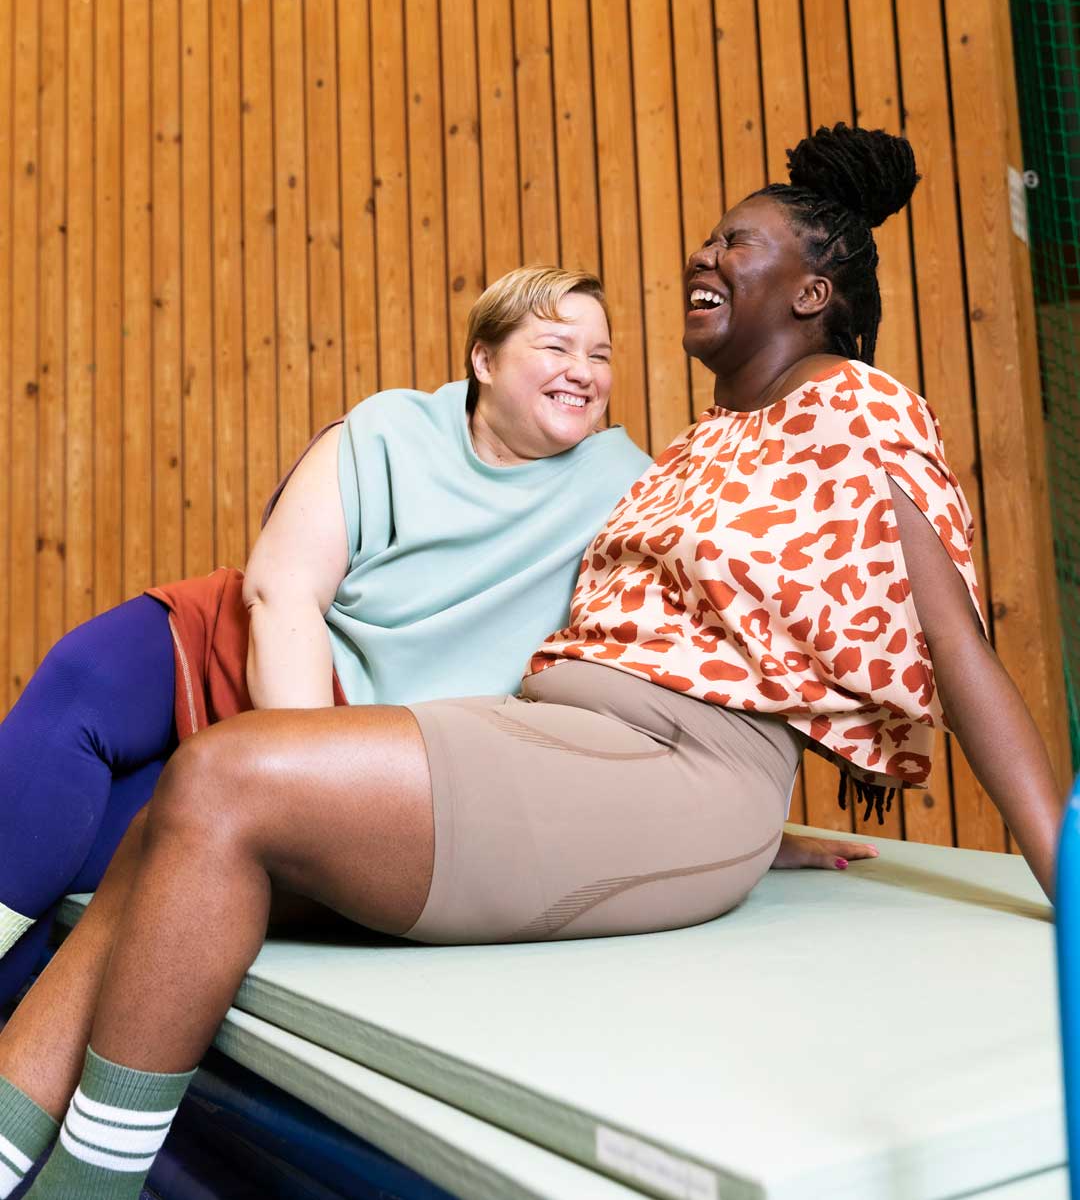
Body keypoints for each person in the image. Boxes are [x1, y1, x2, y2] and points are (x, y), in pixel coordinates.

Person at [6, 124, 1049, 1200]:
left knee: (225, 775)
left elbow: (955, 649)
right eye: (707, 238)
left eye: (737, 243)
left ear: (812, 293)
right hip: (575, 745)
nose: (703, 255)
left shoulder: (859, 405)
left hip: (671, 768)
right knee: (163, 839)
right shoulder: (695, 446)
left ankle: (83, 1191)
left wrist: (1058, 862)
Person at [0, 266, 654, 1003]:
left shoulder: (631, 488)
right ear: (484, 359)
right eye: (557, 347)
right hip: (265, 654)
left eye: (600, 355)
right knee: (82, 680)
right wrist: (297, 768)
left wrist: (303, 789)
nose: (583, 371)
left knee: (104, 854)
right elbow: (282, 591)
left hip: (371, 746)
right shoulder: (392, 428)